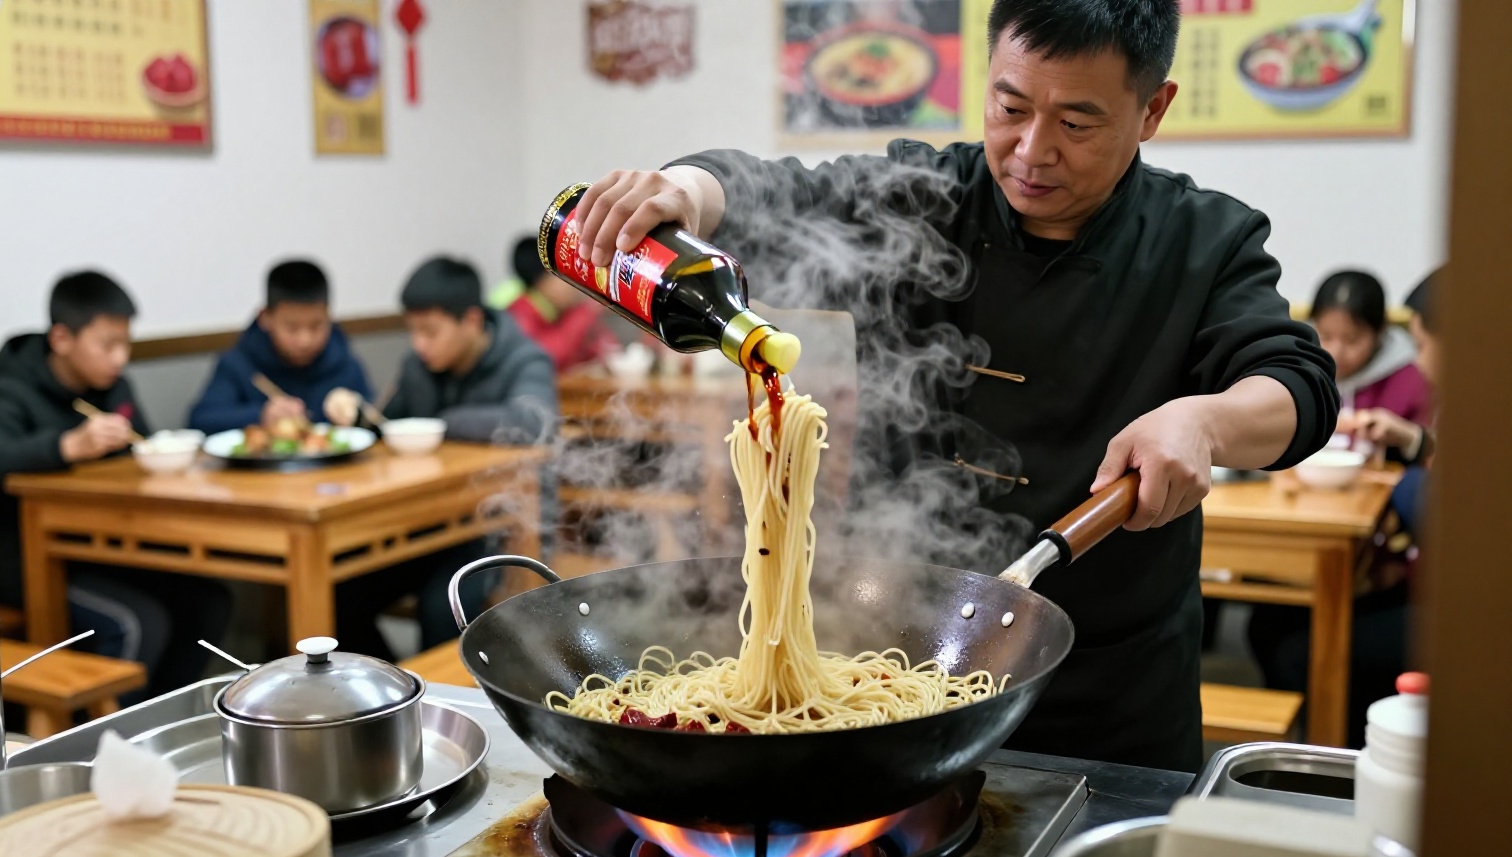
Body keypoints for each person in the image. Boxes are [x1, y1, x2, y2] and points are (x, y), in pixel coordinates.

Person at [559, 0, 1338, 772]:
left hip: (1108, 691)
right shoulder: (922, 196)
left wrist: (1206, 421)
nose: (1031, 151)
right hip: (890, 667)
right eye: (1010, 106)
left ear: (1152, 110)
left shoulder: (1205, 238)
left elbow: (1297, 386)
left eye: (1076, 123)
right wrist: (687, 192)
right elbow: (773, 192)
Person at [0, 271, 231, 699]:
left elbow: (140, 449)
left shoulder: (112, 387)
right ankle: (115, 750)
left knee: (208, 600)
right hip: (29, 559)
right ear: (62, 338)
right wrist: (65, 446)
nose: (120, 358)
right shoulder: (11, 390)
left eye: (126, 344)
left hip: (106, 548)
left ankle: (166, 720)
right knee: (138, 622)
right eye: (107, 345)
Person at [324, 256, 556, 658]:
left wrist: (441, 423)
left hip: (500, 526)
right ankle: (393, 687)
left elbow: (533, 421)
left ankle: (441, 706)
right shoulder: (419, 367)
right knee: (341, 596)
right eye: (412, 331)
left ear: (469, 320)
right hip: (424, 525)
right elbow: (387, 426)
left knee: (442, 606)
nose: (419, 344)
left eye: (429, 331)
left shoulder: (523, 358)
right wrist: (356, 416)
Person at [1250, 268, 1441, 745]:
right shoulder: (1295, 365)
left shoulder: (1426, 390)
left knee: (1301, 643)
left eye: (1422, 346)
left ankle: (1330, 750)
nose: (1337, 349)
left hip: (1427, 588)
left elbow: (1437, 511)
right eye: (1326, 335)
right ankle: (1302, 738)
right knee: (1269, 621)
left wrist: (1395, 560)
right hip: (1395, 558)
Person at [188, 259, 372, 434]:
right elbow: (200, 421)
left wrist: (355, 416)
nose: (304, 340)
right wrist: (260, 415)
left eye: (316, 325)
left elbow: (376, 419)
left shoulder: (343, 362)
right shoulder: (238, 363)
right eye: (292, 328)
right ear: (265, 318)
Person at [1310, 269, 1431, 428]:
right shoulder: (1297, 366)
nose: (1335, 352)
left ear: (1380, 332)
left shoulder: (1412, 382)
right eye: (1325, 336)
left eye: (1351, 340)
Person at [500, 236, 620, 372]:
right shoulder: (518, 314)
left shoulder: (560, 308)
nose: (572, 282)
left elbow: (601, 347)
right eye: (563, 274)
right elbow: (548, 358)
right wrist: (586, 312)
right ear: (543, 279)